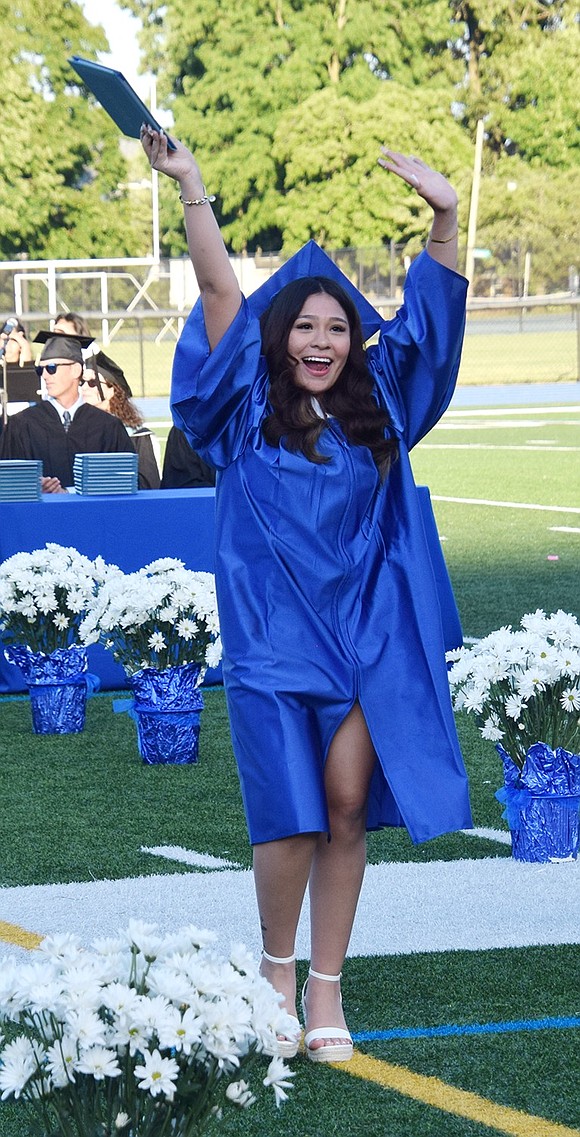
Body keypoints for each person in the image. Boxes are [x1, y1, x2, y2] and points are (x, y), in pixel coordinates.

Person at [141, 125, 472, 1064]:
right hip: (274, 639)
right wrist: (191, 183)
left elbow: (433, 328)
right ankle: (274, 969)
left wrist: (445, 220)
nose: (322, 339)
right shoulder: (243, 405)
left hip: (367, 637)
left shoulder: (386, 407)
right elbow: (217, 292)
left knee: (342, 798)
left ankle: (324, 984)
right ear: (277, 339)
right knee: (285, 810)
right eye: (305, 325)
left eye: (337, 326)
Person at [0, 331, 136, 493]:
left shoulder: (108, 426)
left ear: (76, 370)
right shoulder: (22, 424)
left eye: (51, 368)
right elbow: (8, 481)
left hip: (93, 515)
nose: (44, 375)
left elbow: (124, 482)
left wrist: (71, 493)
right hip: (40, 515)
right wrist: (33, 486)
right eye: (39, 370)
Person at [81, 351, 161, 490]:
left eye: (92, 383)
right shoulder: (78, 433)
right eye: (81, 382)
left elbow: (149, 484)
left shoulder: (138, 437)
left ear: (112, 390)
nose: (83, 388)